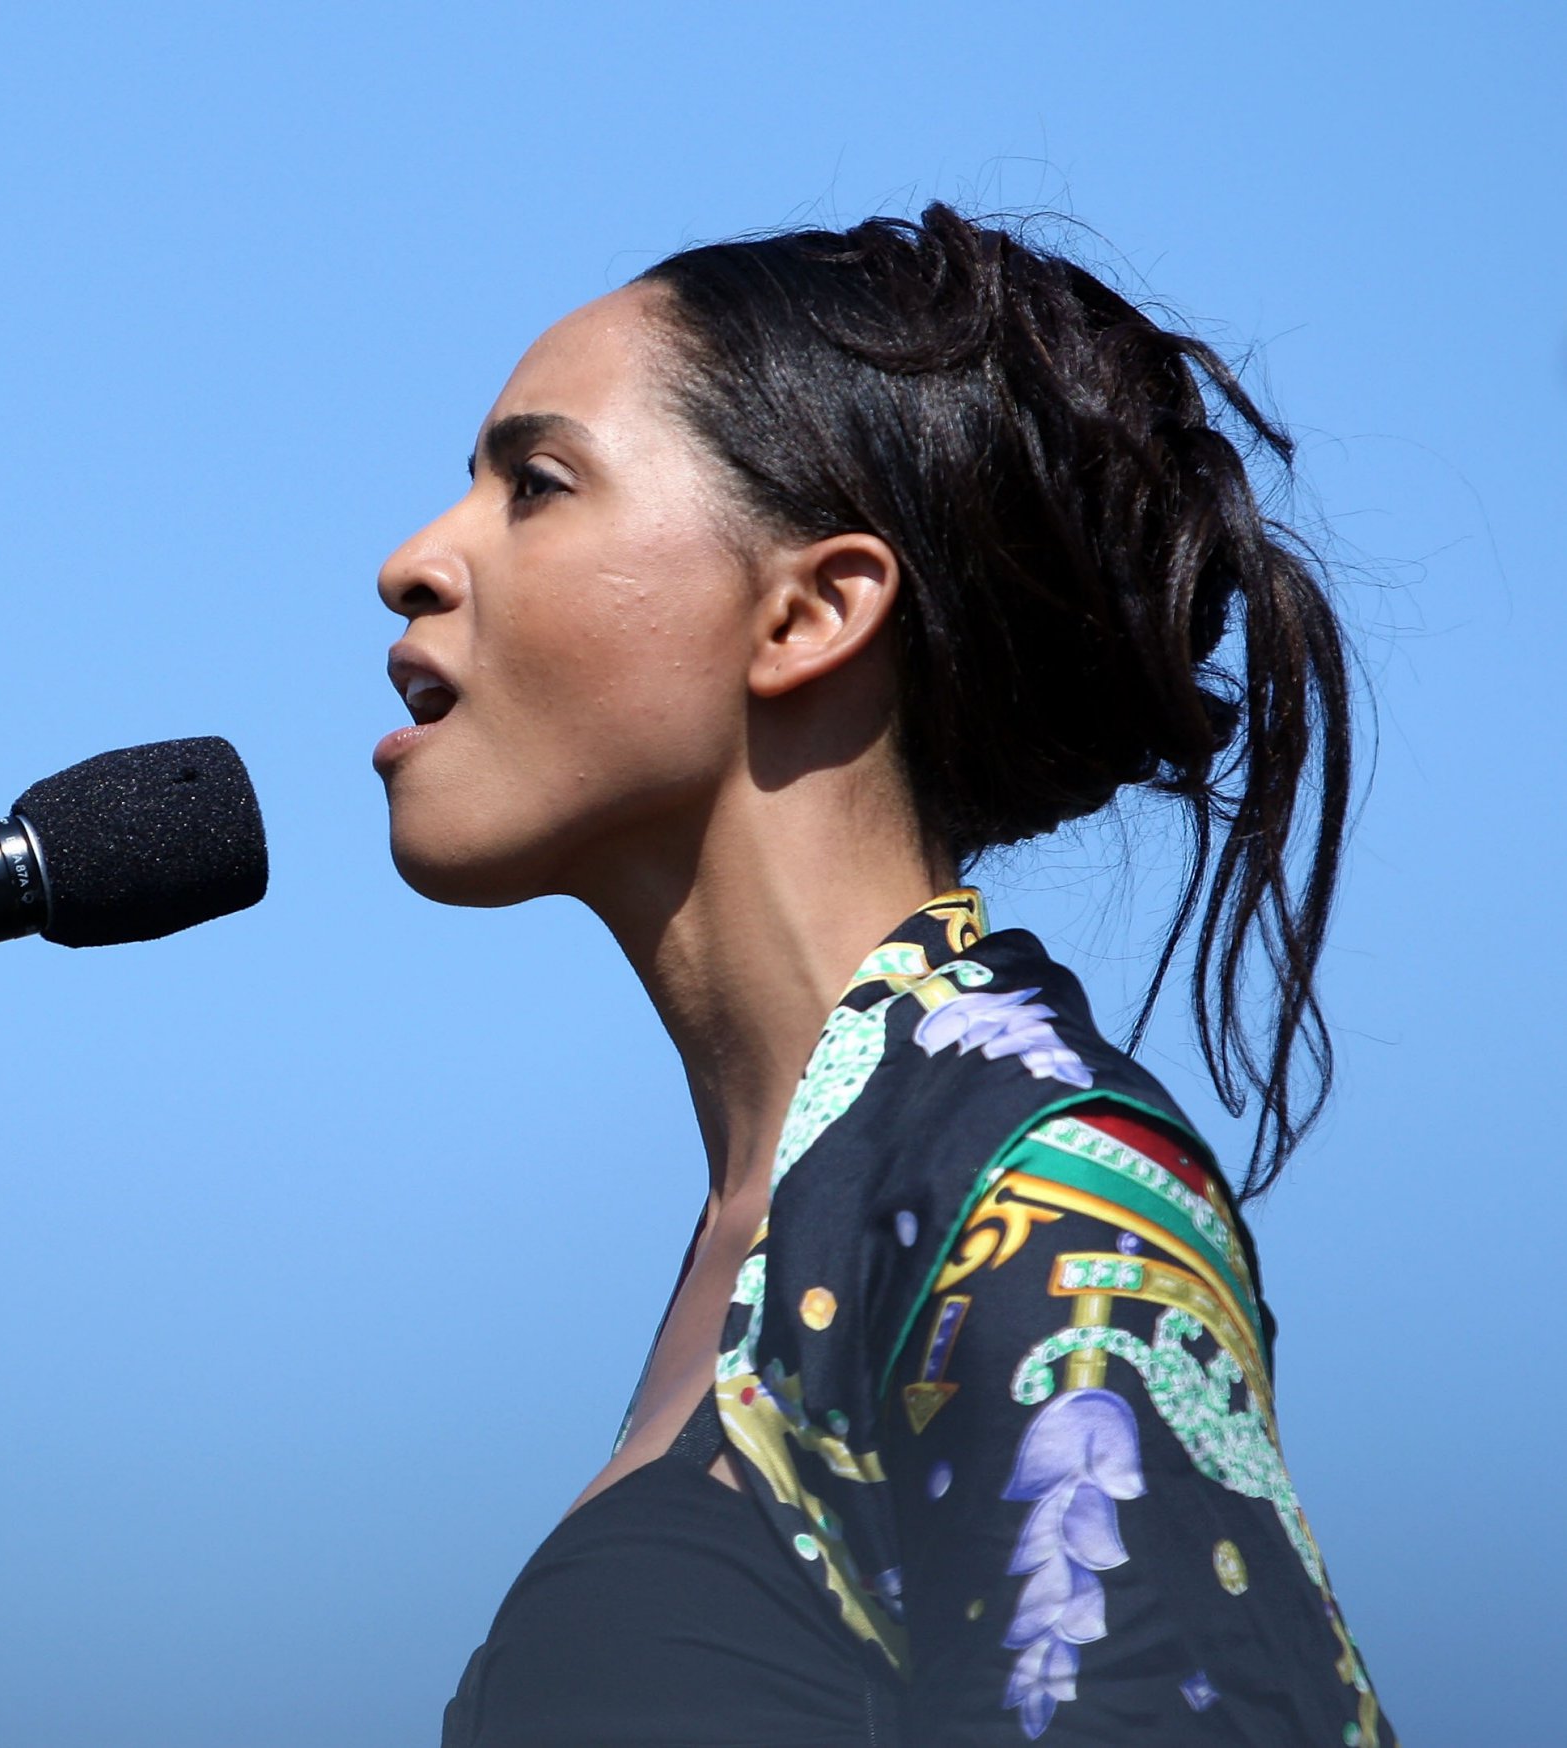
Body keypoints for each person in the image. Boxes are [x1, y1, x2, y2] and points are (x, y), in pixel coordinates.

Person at [375, 206, 1392, 1747]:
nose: (412, 564)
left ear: (808, 612)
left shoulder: (1049, 1200)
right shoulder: (793, 1219)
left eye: (535, 483)